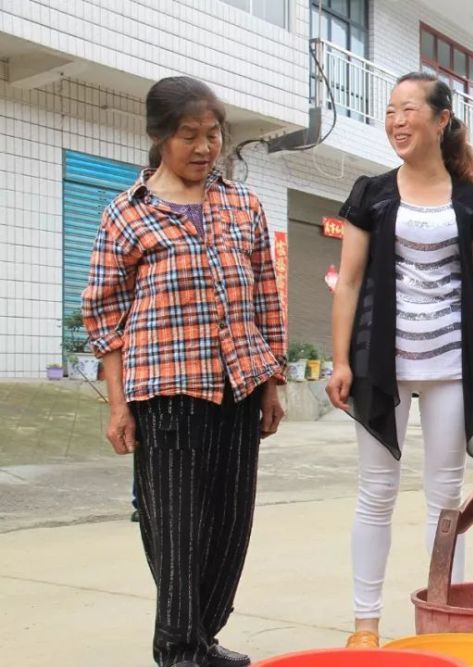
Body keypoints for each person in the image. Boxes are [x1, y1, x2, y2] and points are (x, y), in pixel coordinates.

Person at [81, 77, 286, 667]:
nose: (203, 148)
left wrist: (272, 384)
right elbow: (106, 317)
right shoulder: (126, 215)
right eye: (189, 135)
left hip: (240, 386)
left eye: (213, 134)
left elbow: (267, 300)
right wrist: (118, 405)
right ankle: (176, 650)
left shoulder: (243, 204)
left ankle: (201, 636)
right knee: (175, 531)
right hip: (166, 392)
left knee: (229, 525)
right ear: (159, 137)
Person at [327, 72, 473, 649]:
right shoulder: (372, 193)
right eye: (390, 111)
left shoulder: (472, 200)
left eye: (409, 110)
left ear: (440, 120)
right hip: (383, 363)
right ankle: (365, 623)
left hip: (454, 365)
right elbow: (349, 283)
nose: (397, 121)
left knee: (444, 499)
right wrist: (339, 361)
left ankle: (444, 614)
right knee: (376, 491)